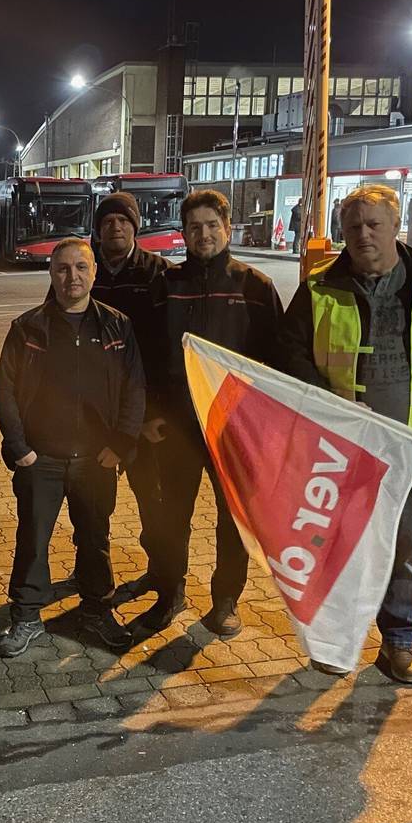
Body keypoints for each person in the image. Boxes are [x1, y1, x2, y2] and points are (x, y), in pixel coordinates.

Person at [277, 184, 412, 684]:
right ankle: (334, 643)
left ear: (394, 227)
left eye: (373, 225)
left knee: (408, 551)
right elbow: (290, 354)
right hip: (340, 452)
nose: (362, 235)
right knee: (338, 549)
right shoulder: (320, 287)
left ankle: (399, 643)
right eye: (352, 226)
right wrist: (326, 398)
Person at [0, 238, 145, 657]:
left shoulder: (117, 326)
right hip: (41, 459)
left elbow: (135, 389)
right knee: (33, 538)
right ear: (51, 274)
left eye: (81, 267)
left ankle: (97, 610)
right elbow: (4, 390)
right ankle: (25, 616)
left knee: (95, 538)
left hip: (97, 460)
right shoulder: (28, 328)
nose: (72, 276)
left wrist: (121, 444)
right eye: (63, 268)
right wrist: (20, 447)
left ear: (94, 273)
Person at [141, 190, 283, 637]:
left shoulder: (255, 287)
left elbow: (275, 363)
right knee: (172, 518)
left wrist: (262, 428)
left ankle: (225, 602)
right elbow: (145, 355)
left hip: (233, 429)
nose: (203, 234)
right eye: (194, 227)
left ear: (227, 228)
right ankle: (171, 594)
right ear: (183, 233)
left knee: (233, 521)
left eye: (211, 226)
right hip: (177, 428)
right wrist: (150, 413)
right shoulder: (167, 284)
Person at [89, 192, 172, 599]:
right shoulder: (83, 270)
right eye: (107, 222)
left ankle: (162, 575)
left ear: (135, 227)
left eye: (123, 221)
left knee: (152, 499)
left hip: (144, 416)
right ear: (98, 230)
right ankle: (91, 569)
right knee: (90, 501)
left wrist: (155, 414)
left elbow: (170, 351)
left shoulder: (159, 274)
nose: (115, 228)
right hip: (93, 416)